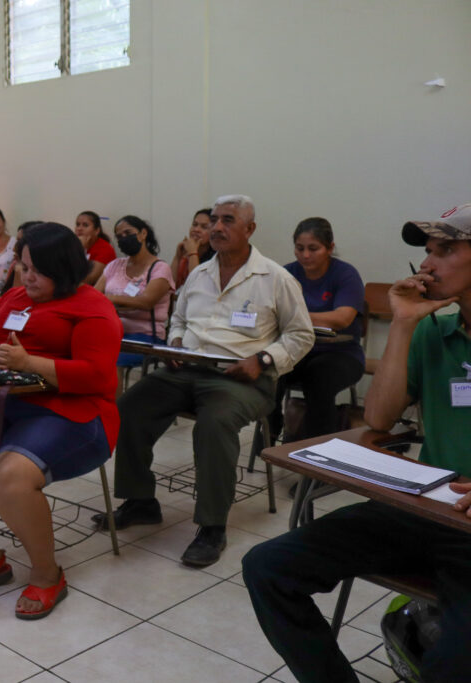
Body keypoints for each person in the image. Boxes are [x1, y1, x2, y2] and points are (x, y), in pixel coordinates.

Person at [243, 203, 471, 683]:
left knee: (449, 667)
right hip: (424, 506)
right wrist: (405, 322)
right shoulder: (435, 329)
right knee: (267, 567)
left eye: (446, 250)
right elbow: (380, 416)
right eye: (428, 251)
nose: (427, 264)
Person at [101, 195, 313, 567]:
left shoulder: (275, 278)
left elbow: (301, 336)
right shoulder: (198, 274)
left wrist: (262, 359)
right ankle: (140, 502)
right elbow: (178, 321)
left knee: (213, 425)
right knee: (129, 408)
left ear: (250, 229)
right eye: (213, 220)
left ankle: (213, 527)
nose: (216, 227)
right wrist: (177, 343)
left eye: (227, 220)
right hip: (188, 369)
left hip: (243, 378)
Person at [0, 222, 121, 620]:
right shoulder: (14, 297)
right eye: (23, 266)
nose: (25, 277)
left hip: (75, 412)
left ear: (63, 269)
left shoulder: (93, 307)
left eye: (36, 270)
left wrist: (30, 363)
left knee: (8, 477)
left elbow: (98, 377)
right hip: (7, 406)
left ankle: (48, 573)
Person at [269, 217, 365, 441]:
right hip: (296, 350)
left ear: (330, 248)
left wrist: (296, 317)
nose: (305, 255)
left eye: (313, 248)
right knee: (270, 368)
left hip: (341, 353)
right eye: (299, 248)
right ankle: (270, 432)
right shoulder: (286, 273)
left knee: (319, 378)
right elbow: (271, 314)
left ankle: (315, 451)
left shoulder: (345, 274)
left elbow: (342, 318)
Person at [95, 215, 175, 367]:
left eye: (128, 233)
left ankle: (114, 392)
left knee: (112, 361)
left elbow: (146, 302)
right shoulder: (114, 265)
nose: (123, 238)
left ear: (143, 234)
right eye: (119, 237)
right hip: (113, 330)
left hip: (146, 336)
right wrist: (124, 303)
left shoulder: (159, 268)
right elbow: (95, 298)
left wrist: (112, 299)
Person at [171, 208, 213, 287]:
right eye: (194, 224)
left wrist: (193, 253)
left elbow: (196, 285)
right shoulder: (185, 256)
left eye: (204, 227)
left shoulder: (216, 259)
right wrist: (177, 257)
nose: (196, 230)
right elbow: (169, 285)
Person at [74, 210, 117, 285]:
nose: (79, 228)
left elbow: (89, 280)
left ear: (97, 231)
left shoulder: (105, 249)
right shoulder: (73, 244)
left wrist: (80, 250)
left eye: (85, 225)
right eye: (78, 225)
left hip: (95, 290)